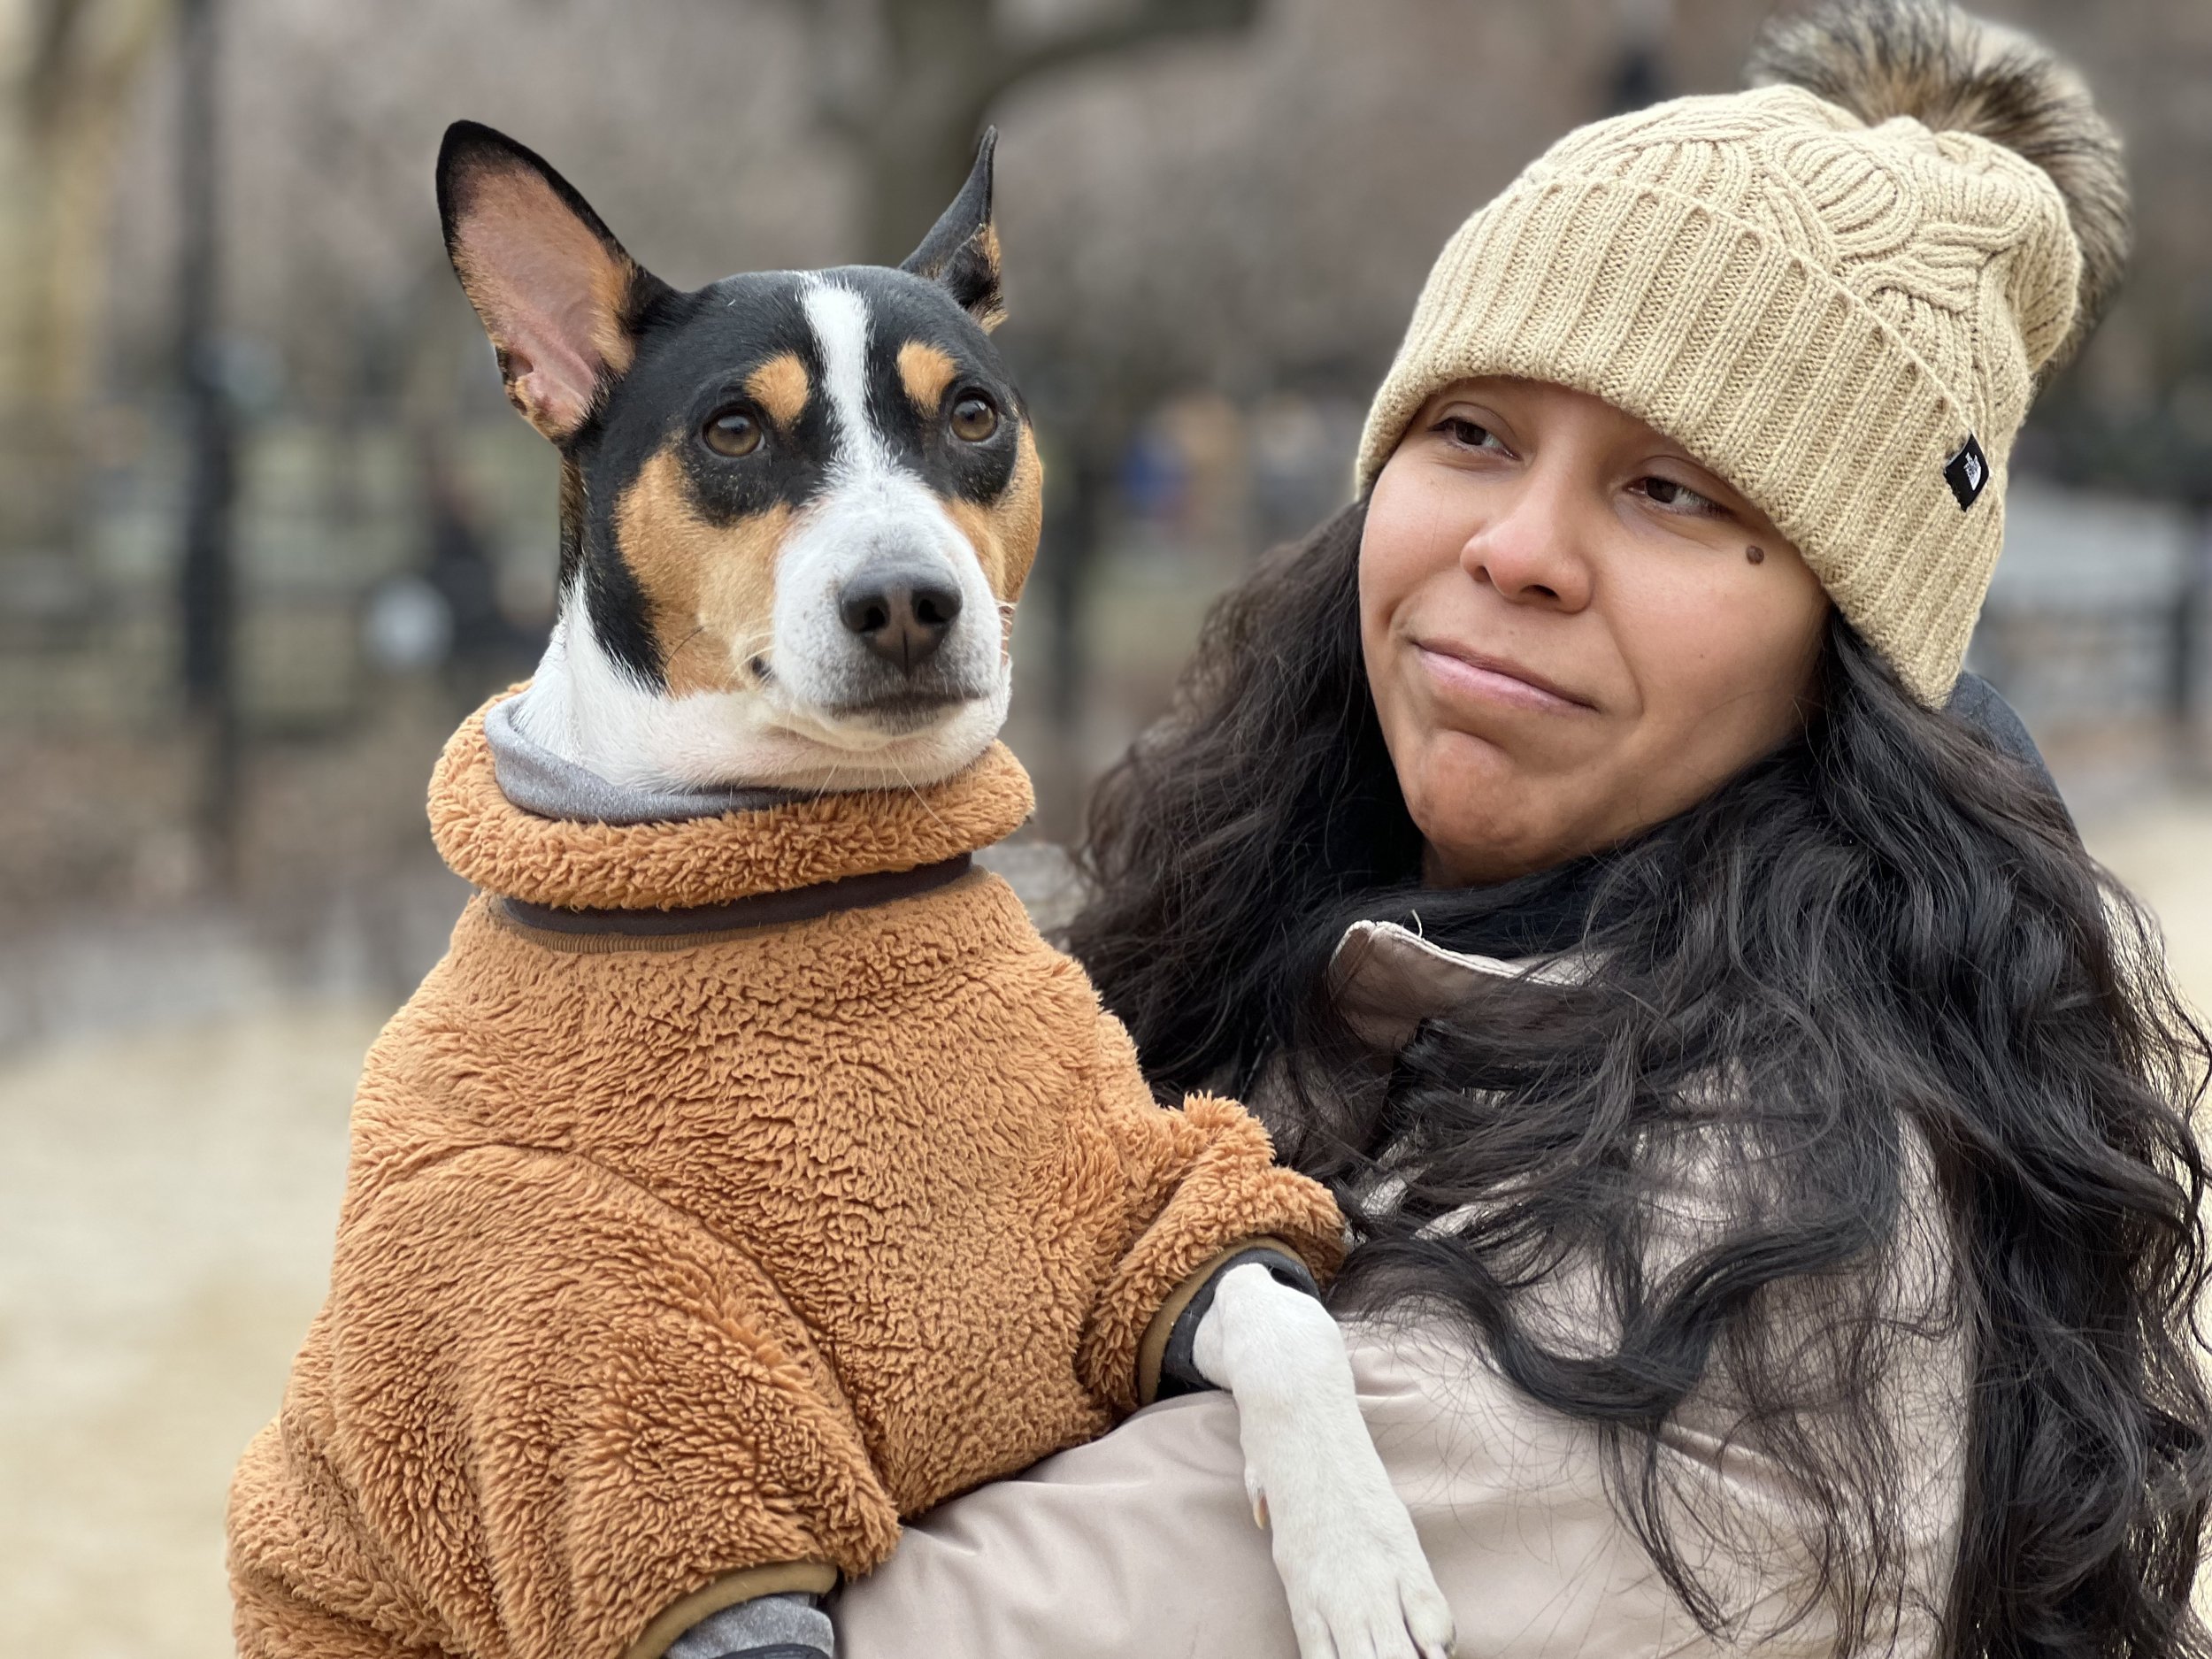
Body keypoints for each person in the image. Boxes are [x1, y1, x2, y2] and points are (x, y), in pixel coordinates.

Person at [833, 2, 2212, 1655]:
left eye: (1673, 491)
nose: (1518, 547)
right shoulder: (1290, 941)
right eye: (1471, 434)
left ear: (1843, 651)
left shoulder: (1769, 1239)